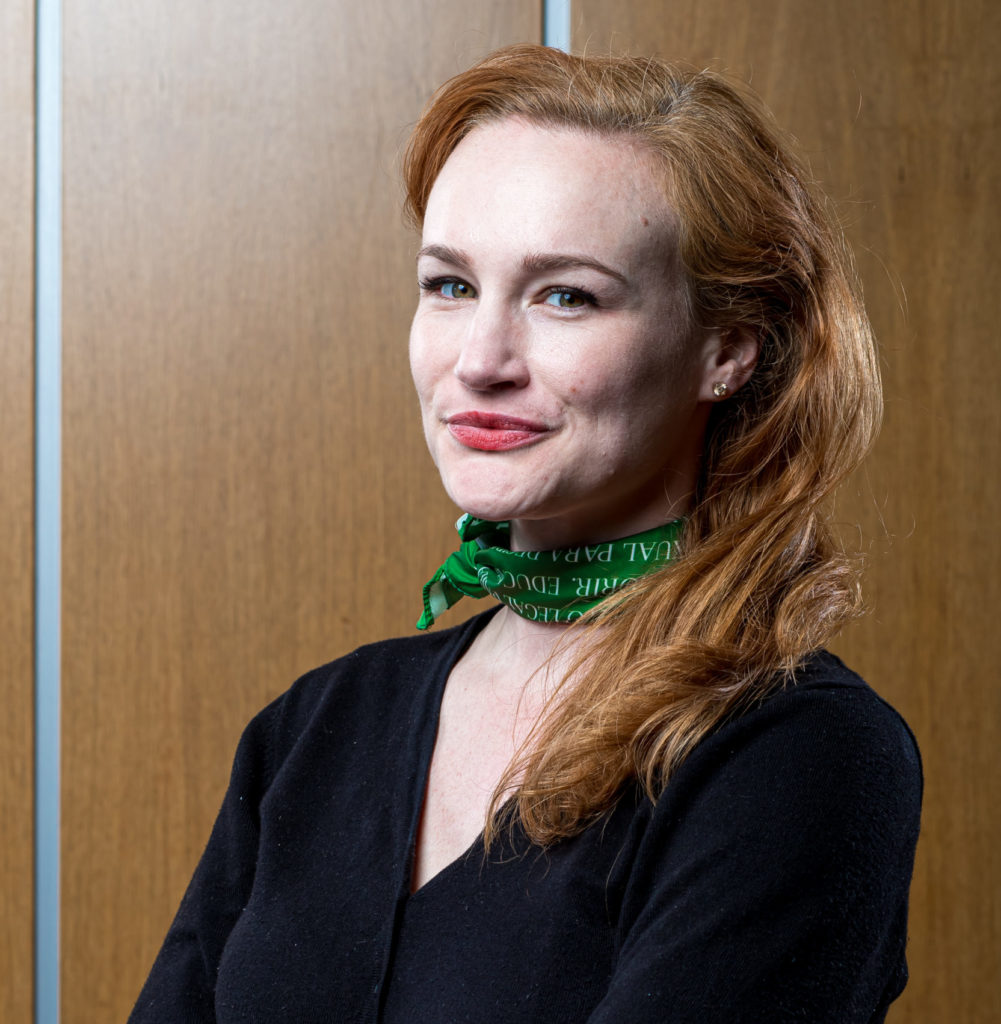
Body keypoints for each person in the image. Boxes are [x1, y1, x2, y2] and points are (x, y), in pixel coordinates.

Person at [129, 45, 921, 1023]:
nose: (480, 359)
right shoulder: (316, 726)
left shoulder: (799, 754)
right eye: (449, 285)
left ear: (725, 350)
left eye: (564, 295)